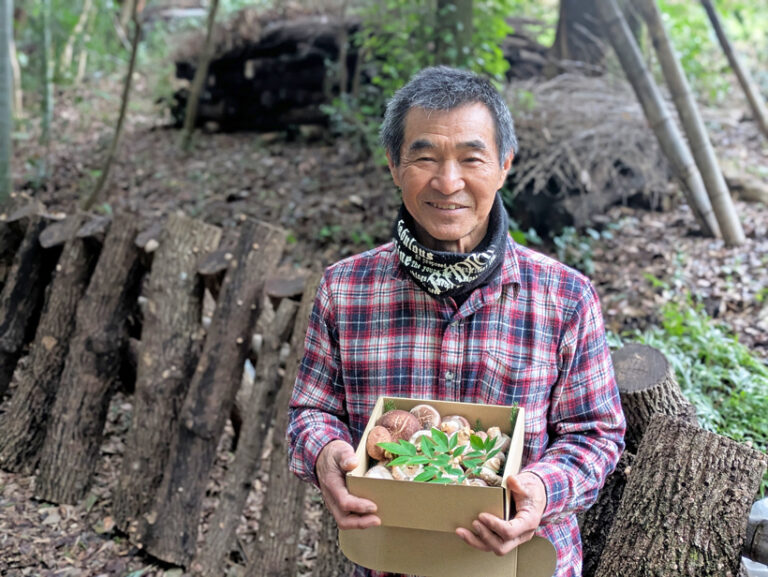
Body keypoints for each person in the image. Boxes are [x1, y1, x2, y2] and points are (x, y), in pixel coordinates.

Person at [287, 66, 626, 577]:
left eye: (471, 158)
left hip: (520, 564)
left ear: (504, 164)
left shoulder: (565, 297)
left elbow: (594, 433)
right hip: (390, 561)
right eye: (425, 158)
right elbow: (310, 410)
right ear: (394, 165)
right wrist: (326, 453)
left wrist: (538, 490)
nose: (448, 183)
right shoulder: (345, 290)